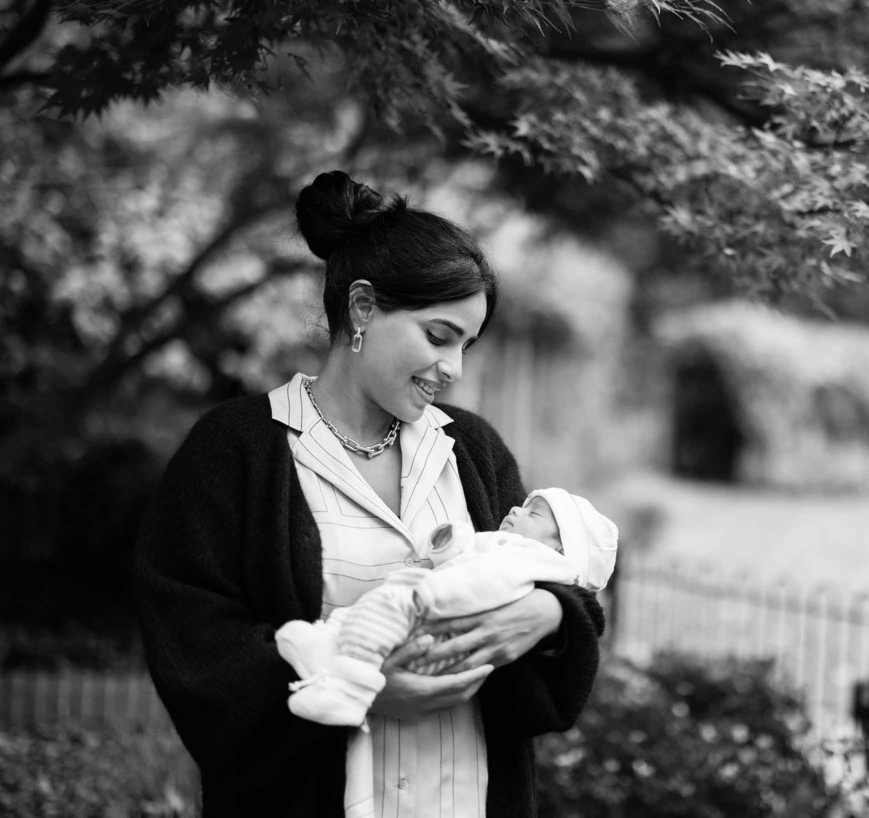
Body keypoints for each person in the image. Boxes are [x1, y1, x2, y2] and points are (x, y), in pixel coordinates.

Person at [133, 171, 605, 818]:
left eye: (466, 345)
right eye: (439, 336)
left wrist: (553, 619)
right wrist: (366, 691)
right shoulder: (233, 451)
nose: (454, 369)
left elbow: (545, 572)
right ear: (362, 308)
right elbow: (195, 650)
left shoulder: (473, 450)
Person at [276, 489, 618, 818]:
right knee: (364, 617)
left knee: (378, 617)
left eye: (533, 513)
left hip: (437, 621)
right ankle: (326, 652)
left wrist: (433, 596)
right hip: (429, 603)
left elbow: (486, 585)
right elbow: (464, 553)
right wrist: (448, 541)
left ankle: (348, 686)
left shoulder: (531, 563)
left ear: (558, 546)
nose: (515, 510)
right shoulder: (507, 546)